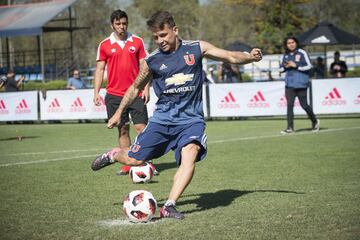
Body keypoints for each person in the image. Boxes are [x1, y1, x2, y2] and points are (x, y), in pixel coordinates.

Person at [91, 11, 262, 219]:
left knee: (190, 151)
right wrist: (119, 112)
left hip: (191, 121)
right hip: (162, 121)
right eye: (156, 37)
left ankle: (169, 205)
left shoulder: (196, 48)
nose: (160, 40)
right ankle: (113, 154)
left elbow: (230, 55)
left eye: (163, 35)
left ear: (175, 30)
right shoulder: (152, 60)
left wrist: (250, 57)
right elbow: (135, 87)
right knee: (134, 160)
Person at [93, 9, 158, 176]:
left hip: (135, 94)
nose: (122, 26)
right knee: (122, 129)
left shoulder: (137, 41)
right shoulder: (105, 45)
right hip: (114, 95)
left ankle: (147, 162)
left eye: (124, 23)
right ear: (112, 25)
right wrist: (96, 92)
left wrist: (146, 87)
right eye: (118, 24)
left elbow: (145, 67)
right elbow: (100, 70)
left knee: (142, 128)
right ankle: (128, 163)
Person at [279, 36, 320, 134]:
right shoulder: (284, 55)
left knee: (304, 105)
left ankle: (315, 121)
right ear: (286, 45)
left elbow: (309, 66)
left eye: (292, 42)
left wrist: (296, 66)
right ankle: (290, 128)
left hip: (301, 83)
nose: (291, 44)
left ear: (296, 43)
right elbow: (280, 69)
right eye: (288, 43)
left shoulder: (302, 53)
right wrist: (285, 67)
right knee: (289, 105)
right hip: (289, 84)